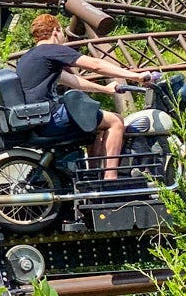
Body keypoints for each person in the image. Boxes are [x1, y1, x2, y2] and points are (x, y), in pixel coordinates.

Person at [17, 14, 154, 180]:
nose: (63, 37)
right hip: (49, 118)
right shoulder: (51, 50)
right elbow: (96, 65)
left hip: (36, 120)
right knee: (116, 121)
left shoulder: (29, 57)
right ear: (55, 31)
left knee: (94, 127)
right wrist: (136, 76)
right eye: (62, 32)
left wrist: (105, 89)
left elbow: (74, 81)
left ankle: (93, 177)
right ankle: (110, 178)